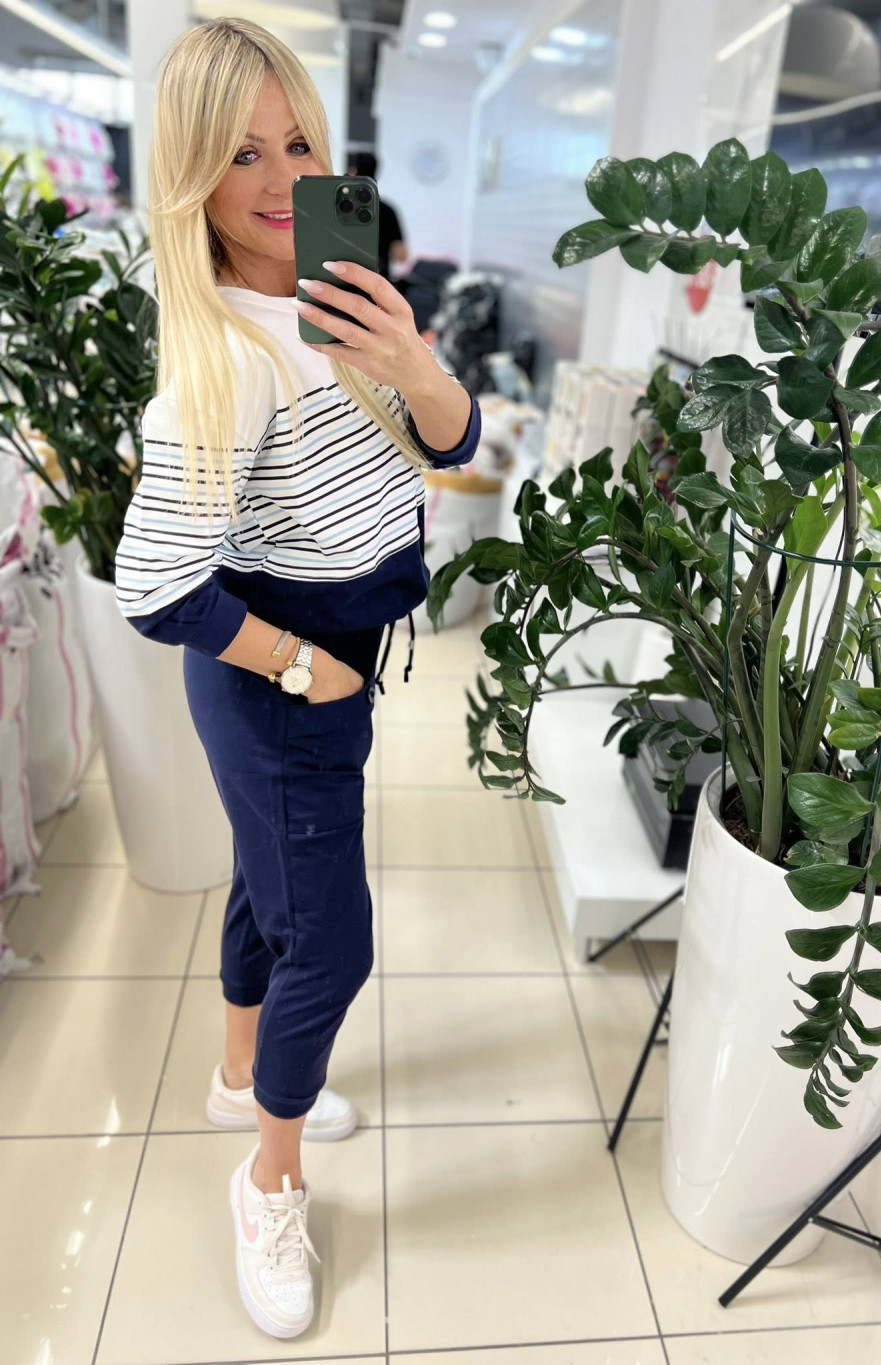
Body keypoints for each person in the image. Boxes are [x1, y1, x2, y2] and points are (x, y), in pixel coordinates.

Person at [113, 18, 480, 1342]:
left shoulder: (339, 294)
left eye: (299, 142)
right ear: (190, 176)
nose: (282, 179)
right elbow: (153, 582)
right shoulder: (221, 356)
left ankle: (236, 1075)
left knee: (266, 885)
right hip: (282, 684)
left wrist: (413, 362)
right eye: (242, 154)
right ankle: (267, 1181)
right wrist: (301, 666)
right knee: (330, 939)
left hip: (332, 663)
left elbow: (453, 442)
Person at [347, 150, 408, 283]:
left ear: (352, 172)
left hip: (345, 278)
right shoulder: (388, 211)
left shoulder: (341, 209)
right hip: (378, 281)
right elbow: (401, 255)